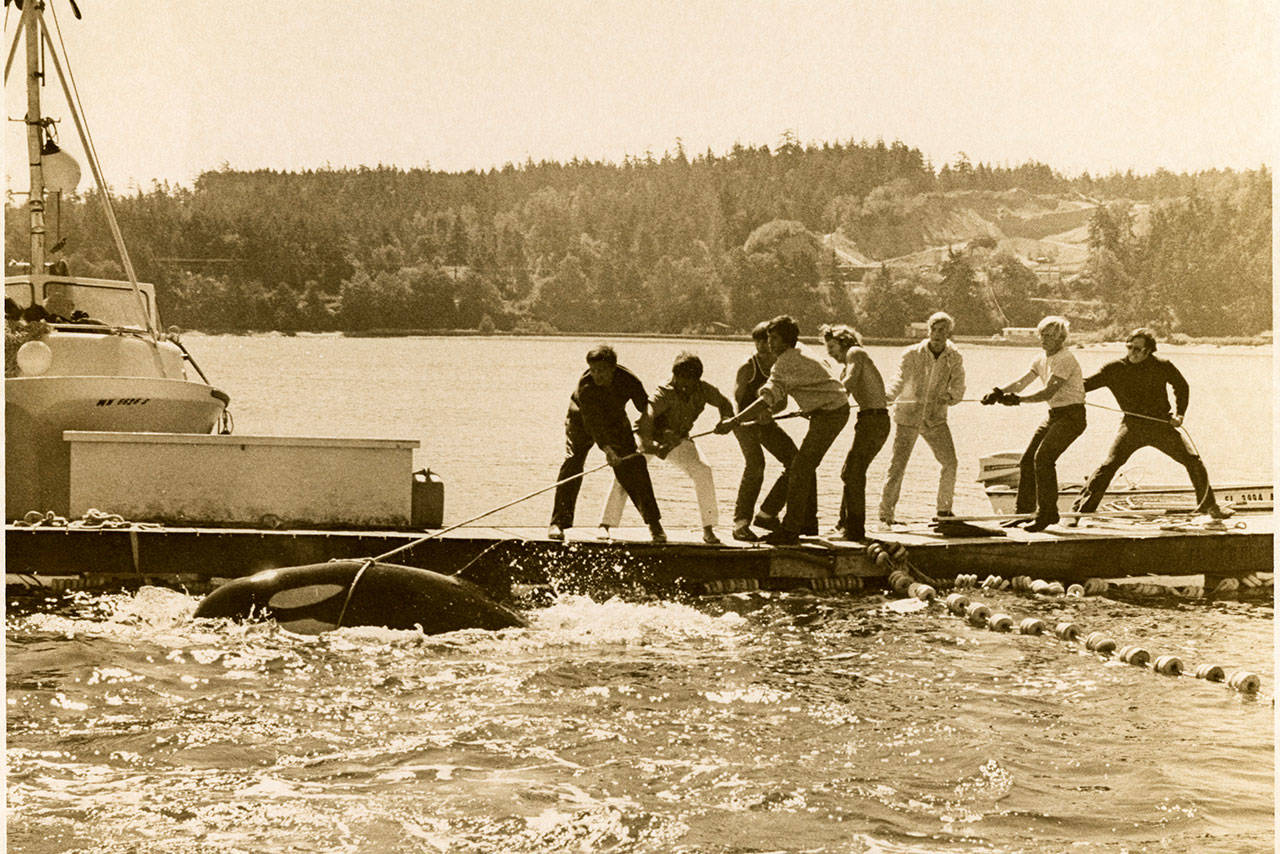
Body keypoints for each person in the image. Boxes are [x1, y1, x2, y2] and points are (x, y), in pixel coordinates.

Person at [716, 315, 849, 545]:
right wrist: (812, 405)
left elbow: (767, 398)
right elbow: (818, 382)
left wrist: (733, 422)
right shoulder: (800, 351)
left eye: (774, 339)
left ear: (787, 340)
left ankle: (789, 531)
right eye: (767, 339)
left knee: (799, 468)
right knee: (800, 466)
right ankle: (799, 524)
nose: (769, 344)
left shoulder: (785, 361)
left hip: (830, 414)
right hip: (827, 412)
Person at [1071, 328, 1230, 519]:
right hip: (1132, 427)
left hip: (1161, 425)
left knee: (1193, 461)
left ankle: (1209, 506)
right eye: (1129, 347)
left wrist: (1180, 415)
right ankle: (1081, 512)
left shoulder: (1162, 365)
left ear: (1149, 351)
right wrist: (1058, 389)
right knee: (1110, 465)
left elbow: (1181, 386)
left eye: (1138, 349)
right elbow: (1083, 386)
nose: (1132, 353)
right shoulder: (1114, 369)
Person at [601, 352, 735, 544]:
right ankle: (605, 525)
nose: (680, 385)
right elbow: (647, 417)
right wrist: (651, 445)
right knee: (626, 471)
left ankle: (708, 529)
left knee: (703, 470)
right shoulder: (664, 392)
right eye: (677, 380)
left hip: (678, 441)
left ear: (696, 380)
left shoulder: (704, 390)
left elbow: (723, 403)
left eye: (686, 383)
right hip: (649, 438)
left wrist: (726, 419)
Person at [549, 344, 665, 543]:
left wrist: (655, 434)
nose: (596, 375)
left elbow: (645, 407)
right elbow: (593, 424)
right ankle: (558, 522)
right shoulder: (586, 388)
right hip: (581, 420)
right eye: (593, 370)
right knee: (573, 463)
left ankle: (654, 523)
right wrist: (608, 449)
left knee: (635, 465)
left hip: (614, 420)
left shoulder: (628, 380)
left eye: (601, 370)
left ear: (613, 368)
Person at [981, 316, 1085, 532]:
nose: (1044, 340)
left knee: (1044, 460)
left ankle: (1048, 514)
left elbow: (1048, 391)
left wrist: (1019, 401)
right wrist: (998, 392)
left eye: (1050, 336)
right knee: (1028, 461)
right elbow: (1021, 383)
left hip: (1072, 417)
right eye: (1042, 335)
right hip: (1055, 414)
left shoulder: (1065, 358)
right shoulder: (1040, 359)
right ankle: (1023, 512)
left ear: (1061, 339)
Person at [878, 311, 965, 526]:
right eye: (933, 330)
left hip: (935, 419)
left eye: (942, 330)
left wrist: (950, 397)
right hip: (908, 417)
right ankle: (885, 515)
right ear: (928, 331)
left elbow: (959, 386)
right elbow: (899, 379)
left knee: (950, 462)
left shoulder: (954, 357)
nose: (936, 334)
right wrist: (887, 397)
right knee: (897, 466)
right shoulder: (911, 354)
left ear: (949, 333)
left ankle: (944, 511)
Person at [729, 321, 798, 542]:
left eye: (765, 340)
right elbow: (738, 402)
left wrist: (769, 411)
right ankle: (740, 524)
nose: (761, 345)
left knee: (796, 462)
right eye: (757, 340)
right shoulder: (747, 367)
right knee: (756, 466)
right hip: (743, 425)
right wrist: (754, 415)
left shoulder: (780, 365)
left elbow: (782, 402)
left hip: (765, 423)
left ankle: (767, 513)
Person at [822, 324, 890, 541]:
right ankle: (844, 524)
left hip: (875, 420)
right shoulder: (848, 364)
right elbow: (844, 392)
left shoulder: (855, 353)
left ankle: (854, 530)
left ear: (843, 342)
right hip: (869, 420)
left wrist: (821, 403)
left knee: (852, 473)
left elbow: (848, 384)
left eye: (831, 346)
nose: (830, 352)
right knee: (849, 472)